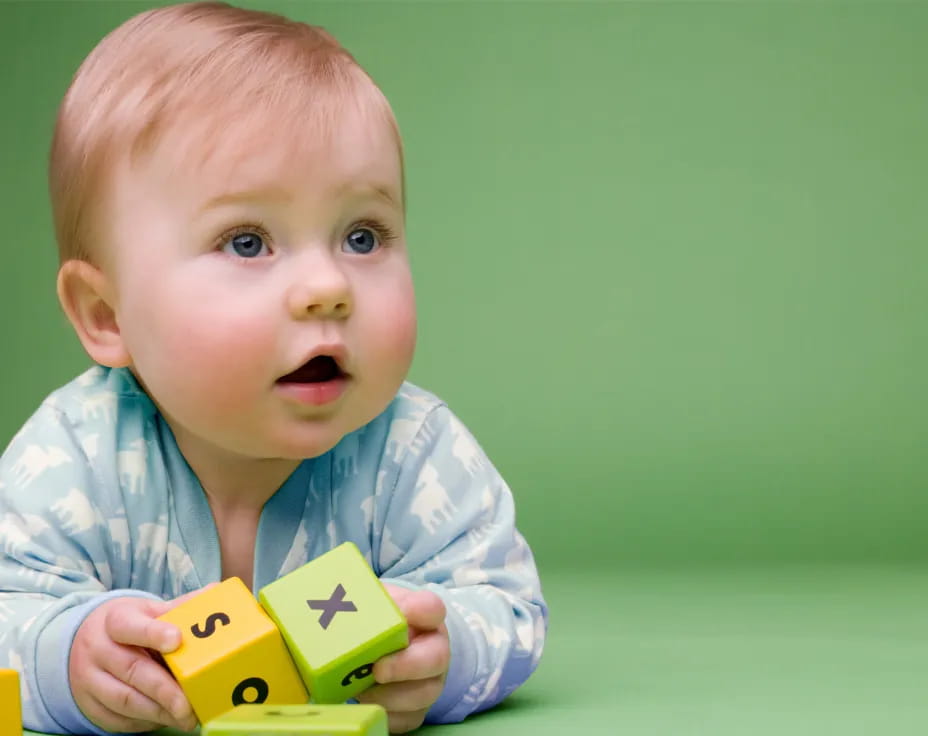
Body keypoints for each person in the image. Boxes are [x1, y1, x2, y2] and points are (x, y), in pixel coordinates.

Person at [0, 2, 547, 734]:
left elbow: (510, 606)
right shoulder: (71, 457)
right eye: (248, 242)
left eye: (362, 235)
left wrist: (446, 651)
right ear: (107, 314)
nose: (328, 286)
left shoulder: (413, 452)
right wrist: (63, 657)